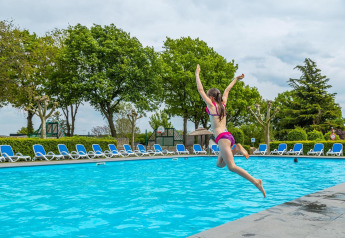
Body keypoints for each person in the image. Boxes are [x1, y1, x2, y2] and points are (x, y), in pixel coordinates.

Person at [195, 64, 266, 198]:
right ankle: (236, 148)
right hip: (228, 136)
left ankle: (256, 182)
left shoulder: (212, 106)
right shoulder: (223, 105)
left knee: (231, 167)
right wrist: (236, 79)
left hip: (222, 138)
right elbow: (227, 90)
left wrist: (197, 74)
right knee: (219, 164)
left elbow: (200, 89)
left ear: (211, 98)